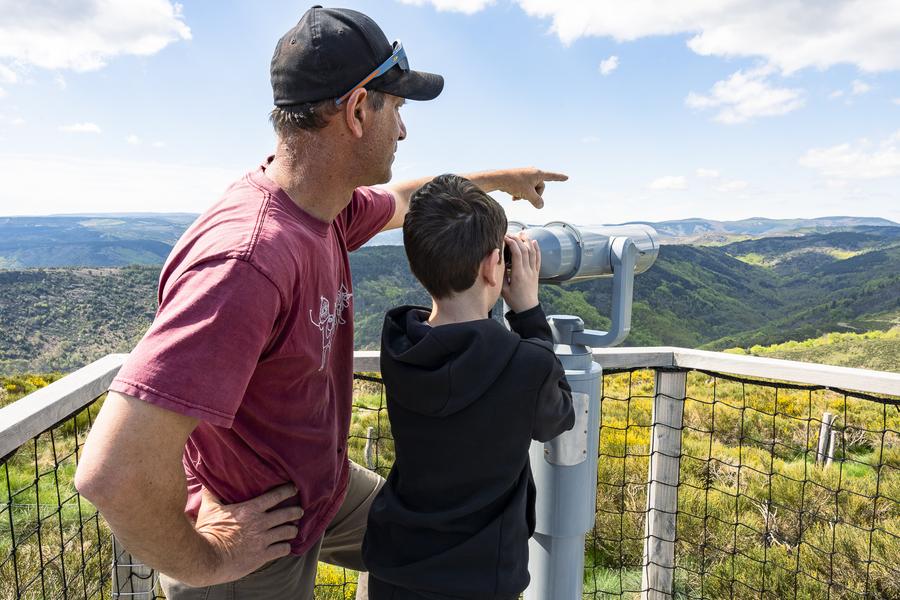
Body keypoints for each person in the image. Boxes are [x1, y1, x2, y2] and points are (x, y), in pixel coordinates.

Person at [73, 6, 567, 600]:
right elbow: (112, 472)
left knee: (446, 542)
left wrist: (500, 179)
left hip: (320, 491)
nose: (404, 131)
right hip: (257, 532)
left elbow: (408, 199)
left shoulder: (325, 208)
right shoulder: (246, 262)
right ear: (359, 109)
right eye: (398, 109)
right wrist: (209, 560)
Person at [362, 174, 575, 599]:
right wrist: (528, 313)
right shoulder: (525, 364)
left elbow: (464, 344)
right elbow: (557, 417)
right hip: (480, 580)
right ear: (490, 267)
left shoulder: (399, 342)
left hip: (396, 566)